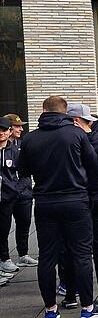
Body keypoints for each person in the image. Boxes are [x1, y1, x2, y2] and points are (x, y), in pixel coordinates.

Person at [18, 96, 98, 318]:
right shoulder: (76, 134)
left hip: (45, 201)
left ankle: (50, 309)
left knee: (47, 256)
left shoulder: (30, 139)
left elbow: (24, 170)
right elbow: (93, 164)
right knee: (81, 253)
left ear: (43, 110)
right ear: (65, 113)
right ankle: (87, 307)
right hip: (76, 199)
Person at [67, 103, 98, 304]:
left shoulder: (69, 142)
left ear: (75, 121)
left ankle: (72, 293)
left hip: (77, 197)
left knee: (74, 247)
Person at [1, 117, 35, 286]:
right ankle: (4, 258)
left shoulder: (18, 148)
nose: (20, 129)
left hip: (21, 194)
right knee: (3, 227)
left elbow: (24, 173)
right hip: (4, 197)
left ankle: (23, 254)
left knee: (24, 223)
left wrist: (18, 189)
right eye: (16, 126)